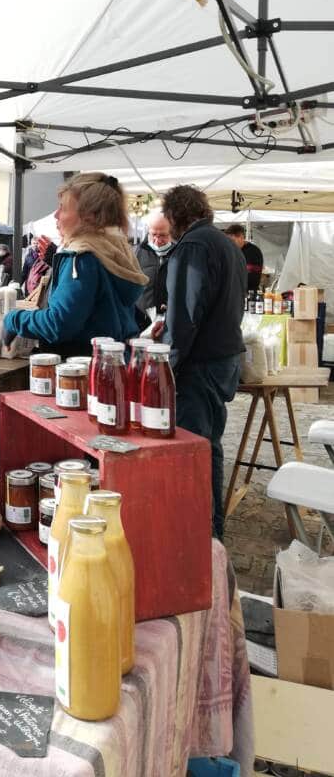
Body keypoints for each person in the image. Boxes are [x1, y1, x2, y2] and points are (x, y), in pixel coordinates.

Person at [160, 185, 246, 540]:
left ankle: (197, 536)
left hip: (201, 365)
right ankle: (211, 533)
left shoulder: (194, 246)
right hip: (223, 359)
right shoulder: (227, 245)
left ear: (177, 215)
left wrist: (168, 365)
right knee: (208, 447)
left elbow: (186, 316)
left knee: (193, 450)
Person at [3, 173, 147, 357]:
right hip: (111, 364)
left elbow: (59, 324)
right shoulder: (116, 249)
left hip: (82, 371)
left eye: (62, 208)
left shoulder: (82, 257)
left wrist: (13, 319)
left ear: (88, 216)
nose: (56, 214)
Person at [135, 209, 174, 316]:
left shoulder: (180, 253)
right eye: (154, 234)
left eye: (162, 235)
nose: (157, 240)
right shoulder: (137, 253)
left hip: (170, 318)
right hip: (142, 321)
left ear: (172, 232)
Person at [225, 224, 264, 293]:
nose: (230, 243)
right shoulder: (233, 251)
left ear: (241, 237)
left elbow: (251, 278)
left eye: (233, 240)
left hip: (249, 294)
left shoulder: (253, 252)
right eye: (228, 241)